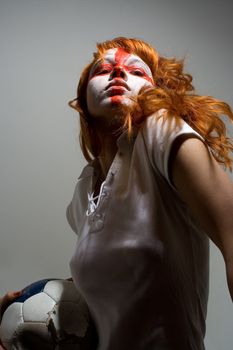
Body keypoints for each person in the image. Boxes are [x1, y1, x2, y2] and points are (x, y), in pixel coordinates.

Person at [1, 37, 233, 350]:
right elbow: (116, 293)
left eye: (136, 71)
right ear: (83, 99)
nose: (119, 73)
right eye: (104, 69)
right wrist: (20, 323)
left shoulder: (161, 132)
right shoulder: (82, 193)